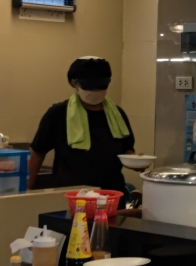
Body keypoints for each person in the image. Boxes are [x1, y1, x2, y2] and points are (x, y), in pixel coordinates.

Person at [29, 57, 136, 191]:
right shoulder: (58, 114)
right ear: (73, 83)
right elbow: (37, 153)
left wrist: (136, 161)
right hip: (70, 194)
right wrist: (26, 190)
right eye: (89, 85)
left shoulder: (117, 115)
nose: (94, 90)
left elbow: (127, 149)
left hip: (111, 193)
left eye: (100, 84)